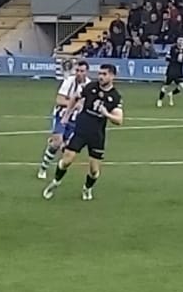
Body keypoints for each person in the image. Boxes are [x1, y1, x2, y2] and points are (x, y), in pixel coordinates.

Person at [43, 63, 124, 201]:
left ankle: (87, 188)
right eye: (99, 74)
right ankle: (55, 182)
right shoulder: (91, 87)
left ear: (112, 76)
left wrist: (106, 114)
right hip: (81, 129)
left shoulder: (115, 97)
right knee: (67, 160)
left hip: (97, 135)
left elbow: (119, 120)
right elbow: (75, 97)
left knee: (94, 171)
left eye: (104, 74)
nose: (100, 77)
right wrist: (67, 115)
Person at [39, 59, 89, 180]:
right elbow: (59, 100)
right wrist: (73, 104)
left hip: (75, 120)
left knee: (65, 147)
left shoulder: (89, 86)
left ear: (86, 72)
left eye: (82, 71)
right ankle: (43, 168)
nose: (79, 73)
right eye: (77, 70)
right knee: (57, 142)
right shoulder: (68, 81)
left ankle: (54, 160)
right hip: (61, 115)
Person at [158, 40, 183, 107]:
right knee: (165, 86)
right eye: (179, 40)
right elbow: (167, 58)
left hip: (179, 71)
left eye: (182, 40)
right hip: (171, 70)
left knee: (182, 86)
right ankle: (160, 100)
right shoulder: (172, 48)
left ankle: (171, 93)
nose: (180, 42)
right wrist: (174, 59)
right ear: (177, 41)